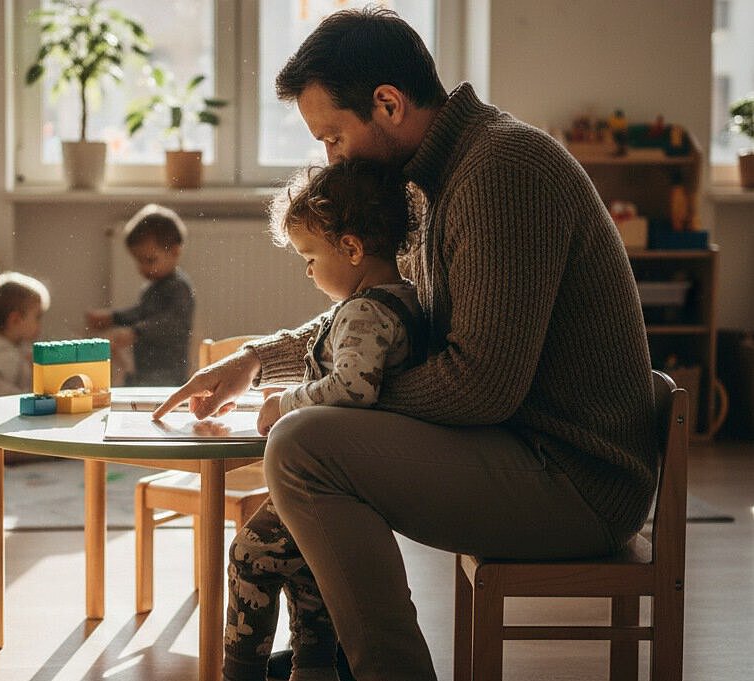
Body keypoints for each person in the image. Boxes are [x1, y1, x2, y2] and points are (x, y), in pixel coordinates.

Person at [154, 8, 657, 681]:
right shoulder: (440, 179)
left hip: (575, 478)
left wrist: (336, 397)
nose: (331, 161)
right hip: (524, 445)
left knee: (305, 446)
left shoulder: (501, 171)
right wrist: (257, 361)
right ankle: (336, 657)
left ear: (387, 104)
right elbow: (384, 316)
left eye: (334, 137)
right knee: (311, 435)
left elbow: (481, 385)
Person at [225, 159, 427, 681]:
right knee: (308, 561)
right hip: (359, 474)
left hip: (338, 474)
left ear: (353, 249)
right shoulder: (404, 301)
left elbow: (353, 388)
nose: (309, 271)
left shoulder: (364, 312)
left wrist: (283, 402)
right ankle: (313, 667)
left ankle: (239, 672)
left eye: (310, 257)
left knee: (251, 556)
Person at [86, 203, 195, 386]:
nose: (143, 268)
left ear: (175, 252)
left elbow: (170, 322)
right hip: (146, 367)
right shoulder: (153, 287)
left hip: (168, 371)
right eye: (138, 261)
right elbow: (141, 312)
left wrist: (136, 332)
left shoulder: (179, 287)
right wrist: (113, 318)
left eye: (150, 260)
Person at [0, 271, 50, 401]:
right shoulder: (3, 353)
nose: (40, 324)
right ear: (15, 320)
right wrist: (27, 398)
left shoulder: (13, 347)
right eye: (37, 317)